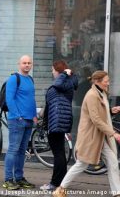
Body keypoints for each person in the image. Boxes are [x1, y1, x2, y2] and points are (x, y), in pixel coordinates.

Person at [53, 71, 120, 197]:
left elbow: (100, 115)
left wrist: (111, 111)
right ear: (97, 81)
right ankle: (60, 189)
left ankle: (117, 192)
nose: (108, 83)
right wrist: (113, 133)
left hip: (100, 136)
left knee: (113, 162)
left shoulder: (101, 93)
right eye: (106, 81)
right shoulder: (92, 96)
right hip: (91, 137)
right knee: (82, 164)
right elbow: (96, 119)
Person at [39, 60, 78, 191]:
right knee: (60, 152)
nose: (52, 72)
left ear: (58, 71)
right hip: (60, 120)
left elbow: (57, 84)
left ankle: (54, 183)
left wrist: (64, 74)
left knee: (58, 153)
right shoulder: (67, 84)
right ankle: (61, 182)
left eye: (53, 70)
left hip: (56, 121)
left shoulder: (61, 82)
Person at [2, 55, 37, 190]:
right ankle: (8, 179)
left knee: (22, 151)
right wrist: (18, 116)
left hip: (28, 120)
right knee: (13, 150)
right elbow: (9, 99)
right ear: (19, 64)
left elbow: (31, 99)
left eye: (29, 63)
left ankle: (19, 177)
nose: (27, 65)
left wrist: (34, 115)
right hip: (17, 120)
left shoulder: (30, 79)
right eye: (24, 63)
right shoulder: (13, 79)